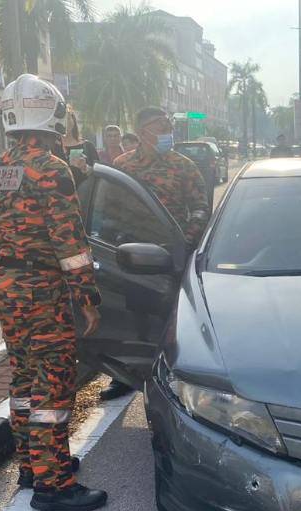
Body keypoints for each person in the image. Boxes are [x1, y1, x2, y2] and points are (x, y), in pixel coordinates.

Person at [0, 74, 106, 511]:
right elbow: (70, 245)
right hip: (41, 289)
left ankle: (32, 465)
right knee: (53, 385)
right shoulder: (51, 169)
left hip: (5, 285)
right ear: (52, 116)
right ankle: (55, 484)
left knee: (22, 378)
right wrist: (87, 297)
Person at [107, 106, 209, 401]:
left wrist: (185, 241)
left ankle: (171, 376)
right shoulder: (123, 165)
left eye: (168, 125)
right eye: (159, 126)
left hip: (171, 256)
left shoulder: (184, 166)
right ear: (141, 133)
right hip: (132, 256)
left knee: (170, 319)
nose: (167, 131)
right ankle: (125, 374)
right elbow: (110, 210)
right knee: (131, 318)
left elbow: (200, 207)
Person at [54, 108, 99, 186]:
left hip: (84, 194)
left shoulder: (88, 146)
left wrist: (85, 168)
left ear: (73, 120)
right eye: (62, 119)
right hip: (59, 194)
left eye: (68, 118)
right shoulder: (51, 148)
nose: (66, 122)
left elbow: (99, 173)